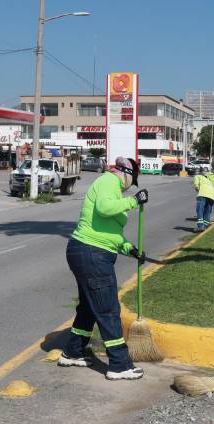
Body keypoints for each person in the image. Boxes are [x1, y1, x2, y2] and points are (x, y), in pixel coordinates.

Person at [58, 156, 150, 380]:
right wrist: (133, 201)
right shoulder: (110, 181)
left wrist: (129, 249)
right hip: (92, 253)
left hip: (88, 251)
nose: (130, 187)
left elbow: (110, 232)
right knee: (107, 309)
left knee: (90, 307)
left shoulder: (112, 188)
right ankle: (119, 364)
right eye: (132, 182)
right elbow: (105, 208)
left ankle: (72, 352)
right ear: (127, 174)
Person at [193, 164, 214, 232]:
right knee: (207, 210)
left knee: (200, 210)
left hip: (203, 194)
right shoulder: (209, 178)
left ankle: (200, 226)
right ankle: (205, 225)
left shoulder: (197, 176)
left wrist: (198, 190)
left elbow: (196, 186)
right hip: (212, 196)